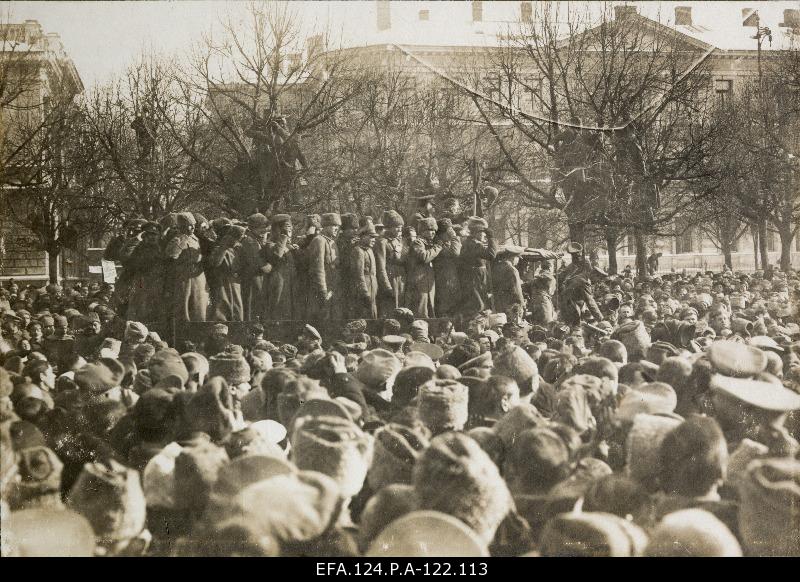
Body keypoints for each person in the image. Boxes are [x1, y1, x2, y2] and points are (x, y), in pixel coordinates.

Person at [163, 212, 209, 322]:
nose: (192, 227)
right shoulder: (177, 240)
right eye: (189, 225)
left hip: (198, 279)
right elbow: (169, 260)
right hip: (184, 279)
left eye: (193, 224)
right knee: (184, 310)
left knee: (200, 309)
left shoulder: (196, 239)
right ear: (181, 226)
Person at [459, 217, 498, 317]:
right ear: (476, 232)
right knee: (478, 306)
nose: (484, 235)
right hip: (476, 279)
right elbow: (491, 254)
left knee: (477, 306)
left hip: (474, 278)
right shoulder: (474, 245)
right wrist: (491, 238)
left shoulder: (469, 243)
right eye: (482, 232)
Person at [405, 217, 444, 318]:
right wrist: (437, 247)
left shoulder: (429, 244)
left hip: (428, 282)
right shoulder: (417, 243)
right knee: (420, 310)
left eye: (434, 231)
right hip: (419, 282)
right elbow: (424, 257)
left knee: (429, 309)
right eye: (430, 230)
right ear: (422, 231)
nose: (433, 233)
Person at [207, 224, 246, 322]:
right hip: (222, 285)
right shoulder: (218, 249)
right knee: (222, 312)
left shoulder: (237, 249)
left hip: (235, 285)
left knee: (237, 312)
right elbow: (215, 262)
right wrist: (223, 247)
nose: (237, 242)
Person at [264, 214, 299, 321]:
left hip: (290, 282)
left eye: (290, 228)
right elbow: (276, 257)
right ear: (277, 229)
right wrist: (283, 237)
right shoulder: (270, 244)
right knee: (278, 308)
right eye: (286, 227)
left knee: (291, 309)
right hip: (278, 283)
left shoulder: (289, 246)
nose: (290, 231)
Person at [307, 213, 341, 321]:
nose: (336, 229)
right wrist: (323, 290)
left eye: (337, 226)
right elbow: (318, 269)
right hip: (321, 289)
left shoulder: (332, 242)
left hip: (332, 287)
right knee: (322, 318)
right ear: (325, 227)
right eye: (333, 226)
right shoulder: (319, 241)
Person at [239, 213, 272, 321]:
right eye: (262, 228)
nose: (265, 231)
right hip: (252, 282)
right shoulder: (250, 241)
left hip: (256, 281)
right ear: (254, 228)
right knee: (252, 311)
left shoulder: (255, 239)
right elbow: (263, 267)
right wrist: (272, 264)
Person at [375, 210, 407, 318]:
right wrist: (387, 286)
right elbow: (381, 266)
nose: (399, 230)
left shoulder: (399, 241)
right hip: (390, 278)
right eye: (396, 227)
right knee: (390, 309)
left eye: (401, 227)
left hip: (400, 279)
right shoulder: (382, 241)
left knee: (401, 309)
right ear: (388, 227)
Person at [350, 221, 380, 320]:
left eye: (375, 237)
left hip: (372, 286)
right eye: (371, 237)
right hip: (364, 289)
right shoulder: (358, 251)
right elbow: (358, 274)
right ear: (363, 237)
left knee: (373, 314)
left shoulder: (369, 250)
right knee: (364, 316)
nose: (374, 240)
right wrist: (364, 291)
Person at [433, 218, 462, 318]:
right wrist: (454, 237)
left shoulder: (446, 243)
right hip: (444, 281)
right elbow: (455, 252)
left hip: (450, 280)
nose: (451, 233)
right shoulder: (439, 244)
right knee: (445, 311)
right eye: (449, 231)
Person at [492, 245, 526, 318]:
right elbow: (517, 290)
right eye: (518, 258)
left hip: (497, 302)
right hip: (510, 305)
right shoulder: (512, 270)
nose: (518, 261)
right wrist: (522, 305)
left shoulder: (496, 268)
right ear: (513, 258)